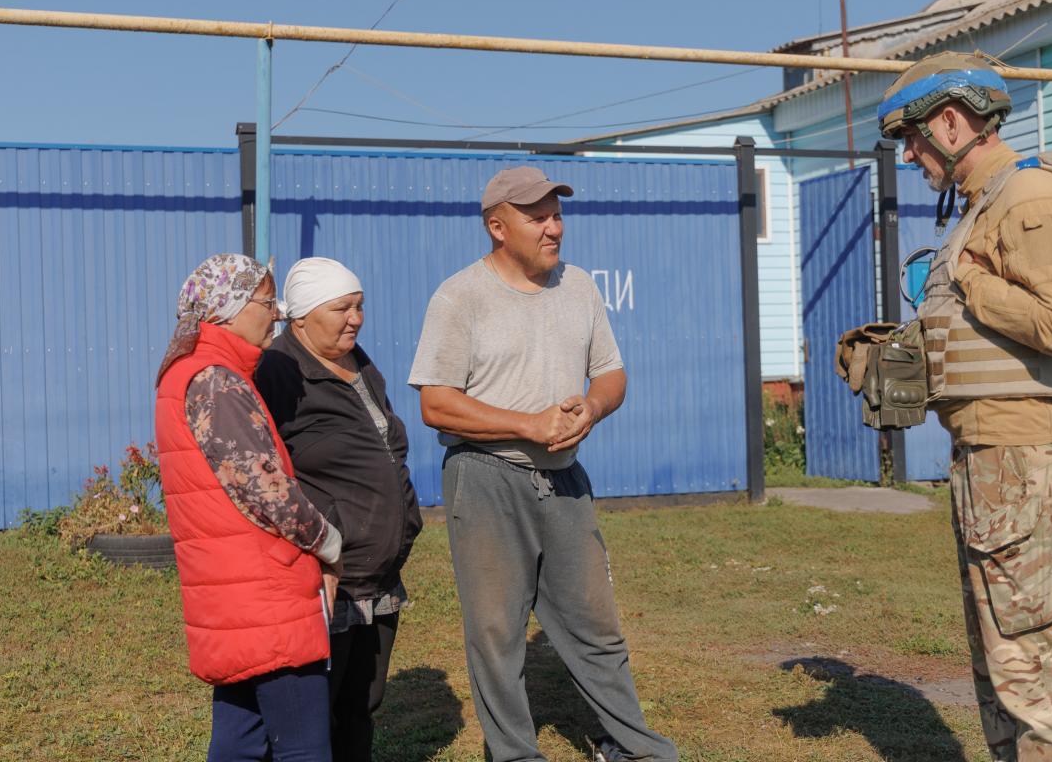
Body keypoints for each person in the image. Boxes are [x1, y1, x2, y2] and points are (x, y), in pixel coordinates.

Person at [878, 52, 1052, 760]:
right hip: (990, 457)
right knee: (1005, 665)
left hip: (1019, 458)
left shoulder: (1031, 197)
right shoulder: (984, 205)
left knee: (1036, 668)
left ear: (951, 121)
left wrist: (971, 285)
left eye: (914, 137)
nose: (911, 154)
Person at [408, 166, 677, 762]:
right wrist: (526, 423)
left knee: (596, 627)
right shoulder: (460, 296)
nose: (554, 227)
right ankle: (515, 755)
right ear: (497, 226)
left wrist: (594, 406)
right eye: (539, 216)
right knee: (497, 633)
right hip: (484, 477)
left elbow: (611, 372)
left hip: (565, 481)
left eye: (557, 214)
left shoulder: (578, 285)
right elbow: (436, 403)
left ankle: (636, 749)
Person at [154, 253, 342, 762]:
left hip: (234, 591)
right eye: (266, 301)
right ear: (227, 309)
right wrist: (328, 541)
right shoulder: (216, 380)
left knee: (241, 737)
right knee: (304, 745)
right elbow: (267, 491)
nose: (277, 312)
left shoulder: (193, 374)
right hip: (265, 590)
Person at [255, 257, 423, 762]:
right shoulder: (280, 371)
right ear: (301, 318)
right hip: (328, 573)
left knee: (363, 703)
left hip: (380, 573)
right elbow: (263, 471)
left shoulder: (358, 362)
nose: (356, 318)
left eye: (360, 306)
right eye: (342, 308)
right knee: (315, 711)